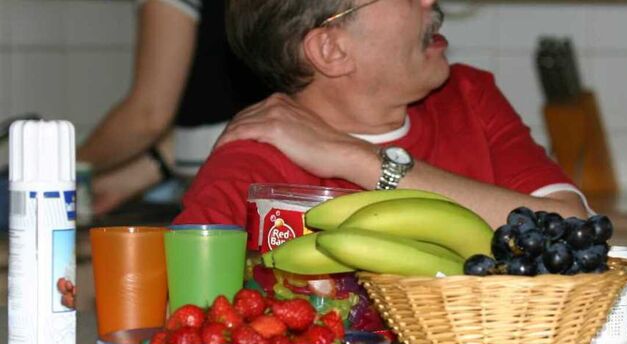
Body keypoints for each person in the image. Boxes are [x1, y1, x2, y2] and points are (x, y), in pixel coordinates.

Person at [173, 0, 588, 228]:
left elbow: (575, 229)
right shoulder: (249, 165)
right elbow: (188, 316)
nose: (429, 2)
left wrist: (360, 161)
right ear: (331, 50)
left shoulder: (468, 97)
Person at [77, 0, 268, 215]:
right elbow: (220, 108)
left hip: (235, 190)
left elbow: (148, 116)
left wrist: (63, 168)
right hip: (254, 180)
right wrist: (132, 177)